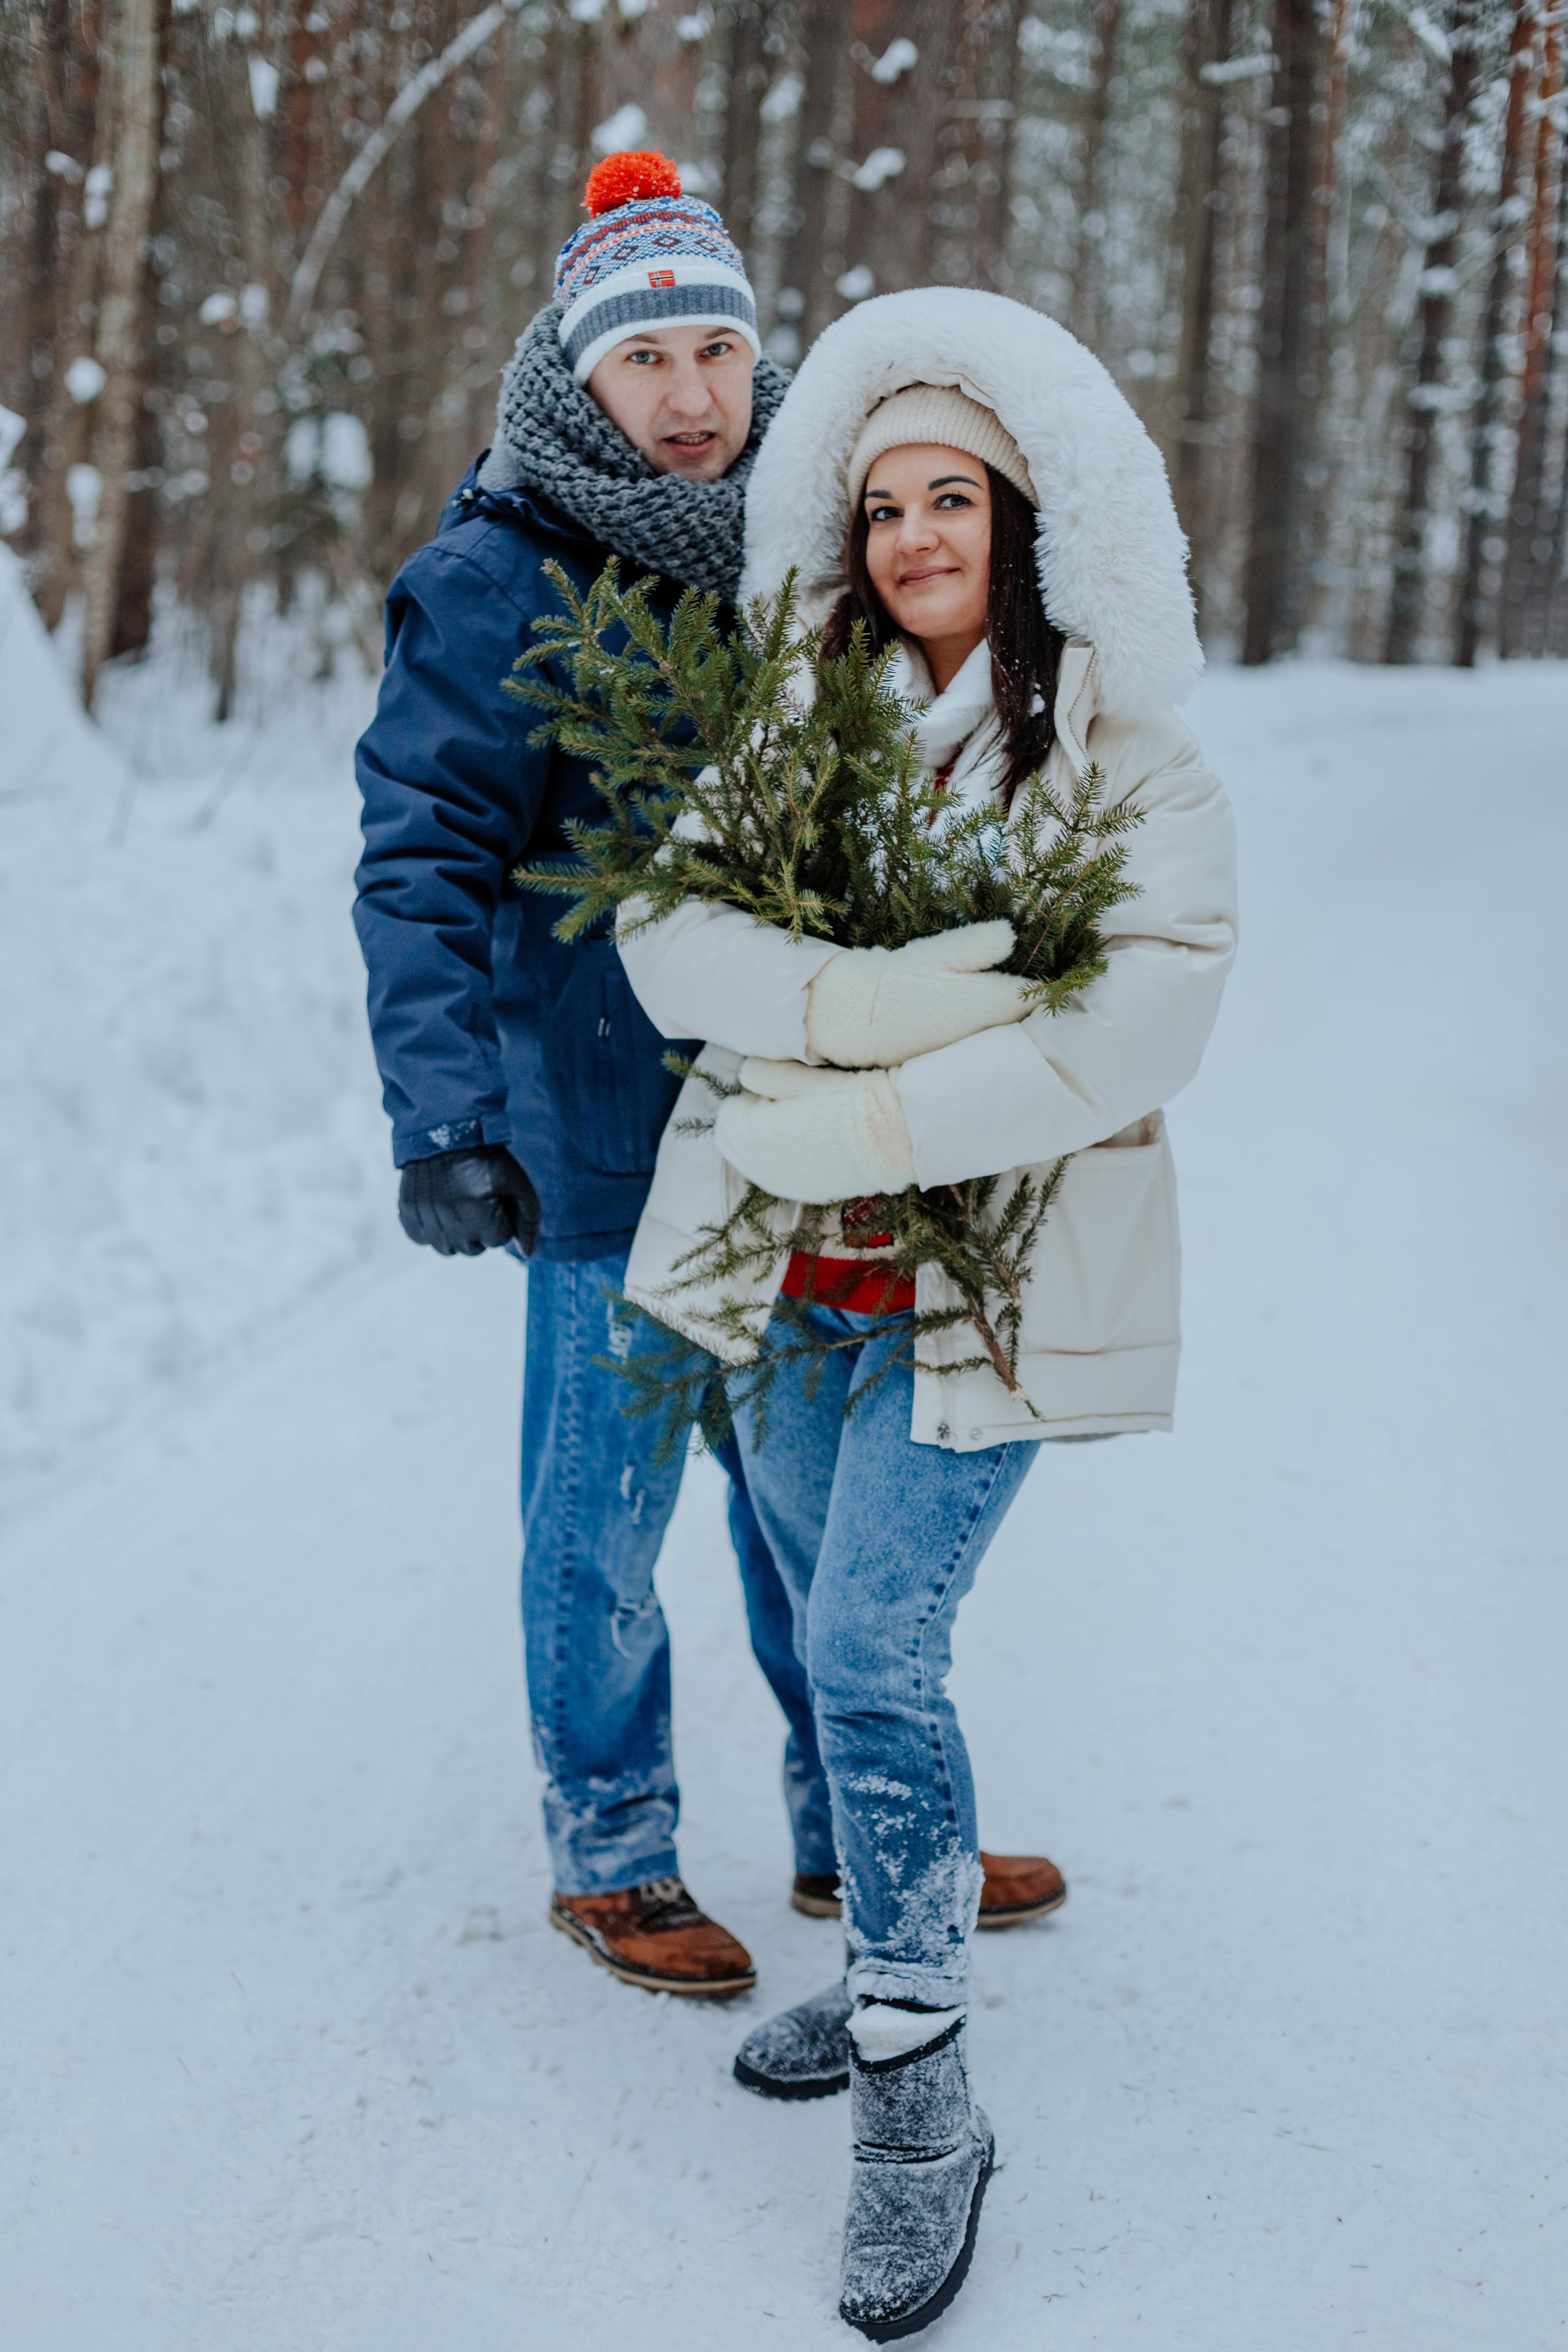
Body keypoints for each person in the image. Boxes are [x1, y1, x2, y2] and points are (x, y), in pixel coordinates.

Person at [353, 154, 1068, 2002]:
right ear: (578, 377)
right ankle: (613, 1853)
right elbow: (419, 854)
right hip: (593, 1138)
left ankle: (865, 1821)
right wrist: (446, 1117)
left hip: (793, 1126)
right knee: (604, 1515)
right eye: (648, 356)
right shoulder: (491, 577)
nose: (690, 395)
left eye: (720, 350)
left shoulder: (797, 550)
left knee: (815, 1507)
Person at [615, 288, 1238, 2334]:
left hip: (994, 1292)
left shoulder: (1127, 759)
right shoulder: (807, 725)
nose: (910, 539)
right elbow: (670, 932)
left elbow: (1139, 1016)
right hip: (800, 1284)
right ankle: (900, 1935)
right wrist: (861, 999)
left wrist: (866, 1111)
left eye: (949, 497)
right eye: (879, 506)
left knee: (875, 1644)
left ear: (1025, 517)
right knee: (812, 1603)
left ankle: (919, 2085)